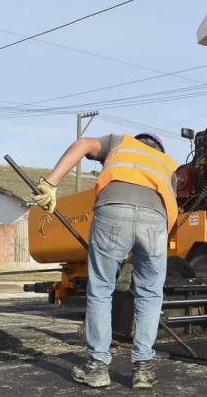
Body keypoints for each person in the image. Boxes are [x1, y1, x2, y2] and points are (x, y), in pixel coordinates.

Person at [30, 132, 178, 389]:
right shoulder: (167, 164)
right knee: (151, 294)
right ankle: (143, 369)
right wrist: (136, 252)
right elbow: (169, 209)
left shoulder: (119, 142)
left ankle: (97, 367)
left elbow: (83, 144)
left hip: (113, 211)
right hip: (155, 222)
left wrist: (51, 184)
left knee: (101, 290)